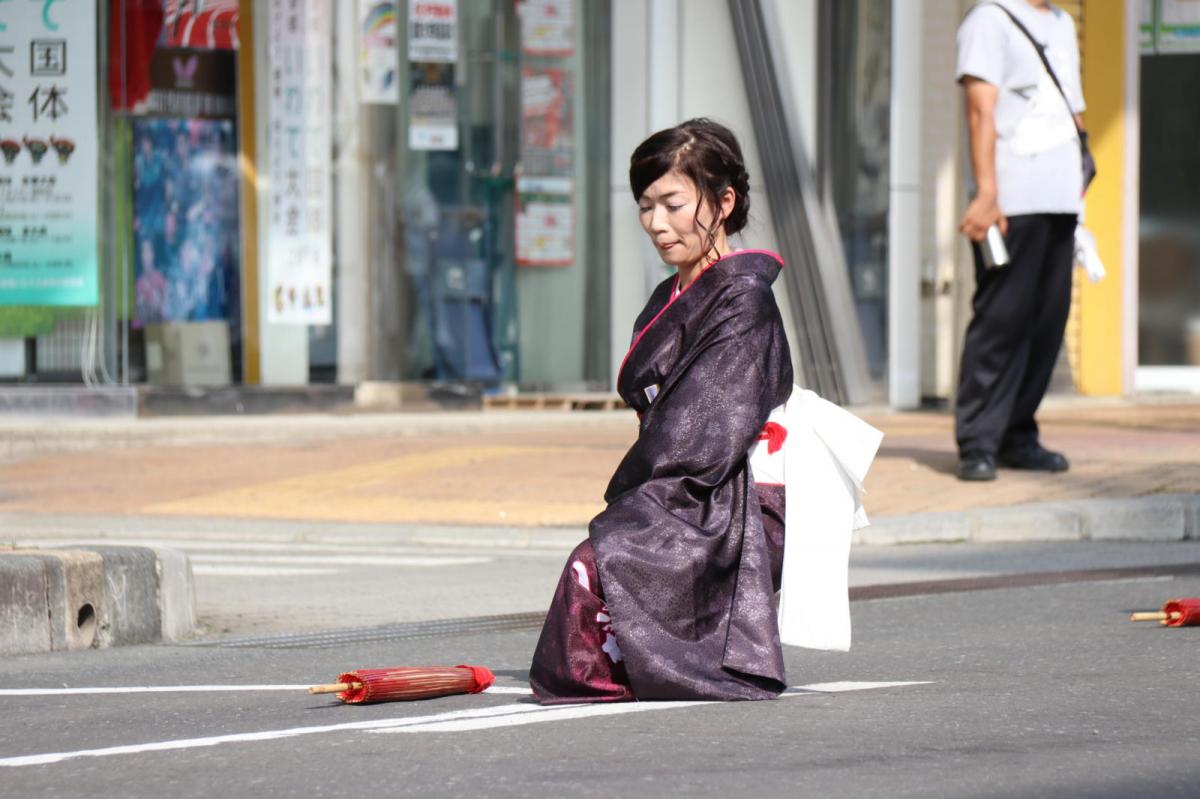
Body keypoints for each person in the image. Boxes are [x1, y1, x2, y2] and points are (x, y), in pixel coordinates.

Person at [528, 119, 793, 703]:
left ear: (724, 201)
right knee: (601, 567)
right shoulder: (670, 296)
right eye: (645, 206)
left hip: (725, 496)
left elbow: (702, 437)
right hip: (677, 486)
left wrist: (630, 497)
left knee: (595, 563)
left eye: (673, 204)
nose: (656, 223)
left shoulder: (744, 301)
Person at [954, 0, 1086, 481]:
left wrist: (1081, 186)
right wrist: (988, 191)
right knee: (1001, 322)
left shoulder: (1063, 23)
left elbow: (1073, 110)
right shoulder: (989, 19)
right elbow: (978, 110)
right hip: (1012, 200)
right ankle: (978, 442)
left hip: (1061, 199)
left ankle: (1017, 436)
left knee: (1046, 323)